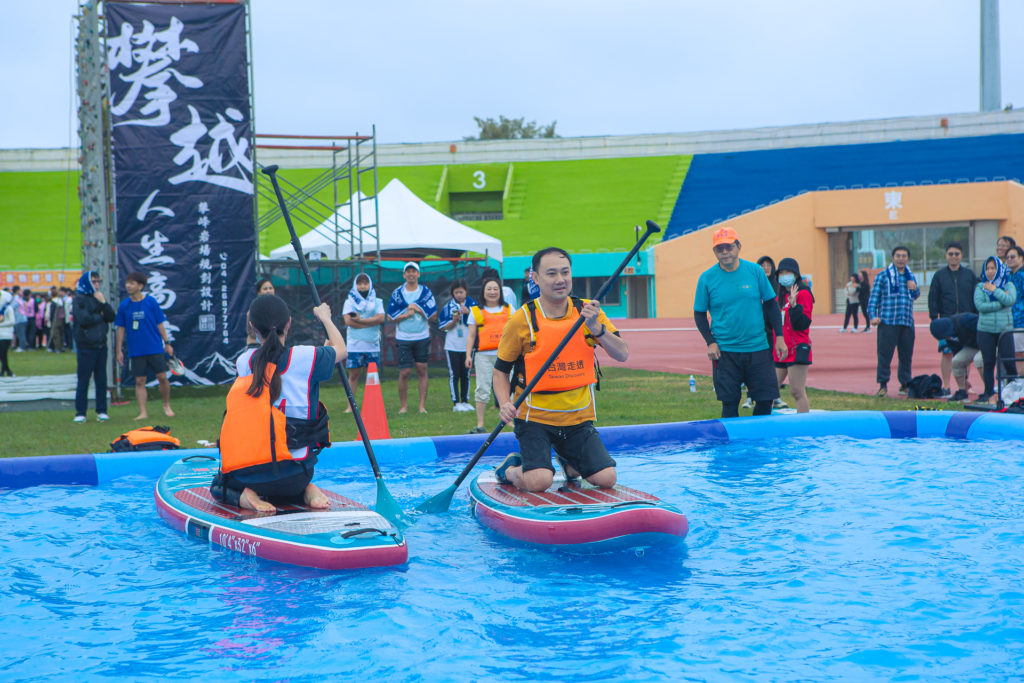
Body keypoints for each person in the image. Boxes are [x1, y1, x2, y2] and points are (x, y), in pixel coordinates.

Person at [491, 246, 628, 492]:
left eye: (565, 272)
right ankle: (510, 469)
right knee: (539, 482)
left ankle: (569, 463)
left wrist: (597, 328)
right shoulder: (522, 319)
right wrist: (504, 403)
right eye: (551, 273)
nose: (560, 279)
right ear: (535, 278)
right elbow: (501, 370)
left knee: (607, 478)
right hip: (534, 419)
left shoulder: (589, 313)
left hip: (578, 417)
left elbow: (622, 354)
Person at [211, 294, 344, 513]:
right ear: (289, 323)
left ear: (252, 327)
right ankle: (306, 490)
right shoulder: (308, 357)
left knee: (218, 485)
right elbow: (341, 350)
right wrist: (325, 318)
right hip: (298, 475)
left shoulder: (244, 362)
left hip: (250, 476)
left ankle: (245, 497)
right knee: (286, 473)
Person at [693, 227, 787, 418]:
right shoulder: (707, 278)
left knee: (765, 400)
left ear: (739, 246)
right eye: (720, 248)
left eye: (729, 247)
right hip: (725, 352)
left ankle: (757, 436)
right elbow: (699, 314)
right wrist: (710, 342)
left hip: (758, 348)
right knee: (729, 403)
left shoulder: (755, 271)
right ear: (714, 251)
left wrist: (779, 336)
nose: (725, 252)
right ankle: (733, 439)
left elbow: (771, 304)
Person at [114, 271, 175, 420]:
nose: (128, 286)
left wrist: (167, 343)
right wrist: (118, 350)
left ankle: (166, 405)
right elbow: (120, 329)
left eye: (132, 283)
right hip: (136, 349)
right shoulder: (124, 305)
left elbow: (160, 323)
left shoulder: (151, 302)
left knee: (162, 377)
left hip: (154, 347)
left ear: (140, 286)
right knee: (139, 381)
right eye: (127, 283)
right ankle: (143, 412)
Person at [866, 246, 920, 397]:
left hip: (906, 322)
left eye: (904, 256)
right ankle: (883, 385)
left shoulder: (910, 276)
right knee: (885, 355)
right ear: (893, 258)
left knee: (906, 356)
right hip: (888, 322)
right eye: (898, 256)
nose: (901, 259)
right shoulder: (883, 276)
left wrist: (914, 288)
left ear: (908, 259)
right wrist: (873, 316)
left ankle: (905, 384)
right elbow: (874, 298)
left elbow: (916, 295)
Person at [927, 242, 977, 397]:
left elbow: (976, 296)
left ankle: (964, 384)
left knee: (966, 354)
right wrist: (934, 317)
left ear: (961, 256)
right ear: (946, 256)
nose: (954, 257)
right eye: (951, 254)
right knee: (947, 353)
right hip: (947, 323)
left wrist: (976, 315)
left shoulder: (969, 275)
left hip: (967, 322)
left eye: (957, 254)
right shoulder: (939, 276)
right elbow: (933, 297)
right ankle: (947, 386)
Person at [387, 262, 437, 414]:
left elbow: (433, 316)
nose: (411, 274)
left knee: (422, 369)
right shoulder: (397, 294)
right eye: (408, 271)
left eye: (413, 271)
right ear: (404, 275)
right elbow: (390, 317)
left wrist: (419, 310)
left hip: (422, 336)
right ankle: (403, 406)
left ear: (418, 274)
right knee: (405, 372)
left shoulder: (426, 293)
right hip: (403, 337)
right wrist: (406, 315)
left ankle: (422, 406)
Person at [466, 275, 511, 433]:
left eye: (495, 289)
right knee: (482, 388)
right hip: (483, 356)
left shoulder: (509, 310)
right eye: (489, 289)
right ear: (483, 292)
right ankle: (480, 424)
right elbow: (471, 336)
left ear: (500, 292)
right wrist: (467, 356)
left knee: (508, 388)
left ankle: (509, 421)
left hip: (505, 356)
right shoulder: (475, 311)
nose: (492, 292)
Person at [72, 271, 116, 423]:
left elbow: (111, 317)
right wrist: (100, 316)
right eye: (94, 281)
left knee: (101, 379)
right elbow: (83, 319)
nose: (97, 285)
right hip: (86, 345)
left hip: (101, 345)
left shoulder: (98, 298)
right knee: (83, 380)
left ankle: (102, 410)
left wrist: (103, 303)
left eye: (98, 281)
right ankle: (80, 412)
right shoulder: (79, 299)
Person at [973, 255, 1017, 404]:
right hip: (985, 330)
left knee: (1009, 362)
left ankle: (1013, 393)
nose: (990, 271)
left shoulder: (1008, 285)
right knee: (988, 363)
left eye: (993, 268)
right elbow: (980, 306)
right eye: (988, 268)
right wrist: (1000, 304)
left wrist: (995, 290)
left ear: (999, 270)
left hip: (1005, 330)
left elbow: (1010, 300)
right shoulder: (980, 287)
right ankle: (989, 393)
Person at [774, 258, 814, 413]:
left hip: (797, 348)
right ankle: (765, 425)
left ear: (796, 274)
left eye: (788, 272)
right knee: (769, 391)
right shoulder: (779, 296)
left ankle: (804, 424)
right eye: (781, 273)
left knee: (797, 391)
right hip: (780, 349)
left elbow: (803, 324)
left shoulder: (803, 294)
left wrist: (794, 306)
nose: (784, 275)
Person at [342, 273, 385, 413]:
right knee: (353, 375)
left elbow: (380, 318)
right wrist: (370, 322)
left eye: (365, 283)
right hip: (355, 344)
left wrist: (360, 321)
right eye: (360, 283)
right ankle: (350, 406)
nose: (362, 286)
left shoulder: (378, 301)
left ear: (370, 285)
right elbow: (348, 321)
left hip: (372, 344)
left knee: (372, 376)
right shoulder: (349, 302)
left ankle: (373, 405)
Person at [438, 278, 475, 412]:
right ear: (452, 293)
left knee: (466, 374)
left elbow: (481, 320)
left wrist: (469, 313)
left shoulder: (473, 305)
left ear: (466, 292)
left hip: (468, 345)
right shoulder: (448, 307)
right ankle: (456, 402)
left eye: (461, 292)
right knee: (455, 374)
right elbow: (442, 327)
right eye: (456, 292)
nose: (459, 295)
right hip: (452, 345)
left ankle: (465, 401)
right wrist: (453, 321)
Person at [929, 313, 981, 402]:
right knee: (956, 361)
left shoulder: (966, 320)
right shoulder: (949, 337)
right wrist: (965, 379)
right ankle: (962, 392)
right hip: (973, 346)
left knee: (979, 360)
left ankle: (989, 393)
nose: (947, 338)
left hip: (987, 343)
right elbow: (957, 352)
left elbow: (984, 328)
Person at [1006, 245, 1024, 374]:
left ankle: (1019, 381)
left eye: (1013, 257)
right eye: (1007, 257)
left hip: (1020, 321)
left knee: (1019, 353)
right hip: (1009, 322)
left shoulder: (1022, 275)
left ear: (1021, 258)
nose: (1009, 259)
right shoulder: (1009, 277)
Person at [244, 278, 277, 346]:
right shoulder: (254, 309)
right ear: (259, 292)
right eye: (265, 289)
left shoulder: (279, 307)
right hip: (256, 345)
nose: (268, 291)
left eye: (270, 288)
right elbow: (251, 331)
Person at [0, 288, 15, 376]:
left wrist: (1, 325)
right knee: (2, 354)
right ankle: (7, 371)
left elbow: (12, 322)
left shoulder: (8, 309)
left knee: (3, 353)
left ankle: (5, 371)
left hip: (6, 335)